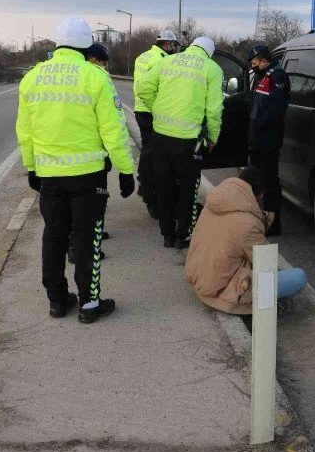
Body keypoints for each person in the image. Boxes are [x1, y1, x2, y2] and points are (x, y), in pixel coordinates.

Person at [16, 17, 136, 324]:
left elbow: (25, 131)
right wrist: (125, 170)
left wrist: (32, 167)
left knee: (54, 236)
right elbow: (114, 130)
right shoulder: (96, 77)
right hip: (88, 175)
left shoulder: (33, 78)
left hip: (50, 176)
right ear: (87, 45)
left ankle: (57, 301)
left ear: (58, 44)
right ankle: (89, 304)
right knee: (87, 238)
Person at [136, 36, 224, 249]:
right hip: (188, 142)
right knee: (188, 190)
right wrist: (213, 137)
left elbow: (143, 88)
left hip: (160, 137)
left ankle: (167, 234)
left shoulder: (167, 60)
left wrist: (157, 110)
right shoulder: (212, 69)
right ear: (209, 52)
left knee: (164, 187)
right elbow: (214, 109)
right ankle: (183, 234)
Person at [185, 166, 306, 315]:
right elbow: (267, 264)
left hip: (201, 282)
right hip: (223, 294)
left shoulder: (212, 204)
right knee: (298, 277)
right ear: (260, 195)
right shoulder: (248, 224)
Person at [66, 42, 114, 264]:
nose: (105, 68)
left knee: (87, 207)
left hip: (67, 155)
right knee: (85, 207)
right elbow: (111, 123)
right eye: (103, 63)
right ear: (93, 59)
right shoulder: (94, 78)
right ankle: (77, 248)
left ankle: (92, 235)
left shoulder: (73, 77)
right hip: (87, 157)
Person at [133, 30, 181, 219]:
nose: (174, 48)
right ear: (167, 44)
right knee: (156, 153)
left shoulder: (143, 56)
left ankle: (143, 181)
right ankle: (149, 188)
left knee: (147, 148)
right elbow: (161, 86)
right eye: (173, 45)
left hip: (140, 108)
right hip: (152, 109)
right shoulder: (161, 60)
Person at [247, 44, 290, 236]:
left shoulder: (277, 76)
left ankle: (274, 223)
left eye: (255, 62)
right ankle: (259, 217)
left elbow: (276, 109)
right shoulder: (262, 75)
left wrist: (259, 126)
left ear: (264, 60)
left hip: (269, 138)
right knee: (258, 179)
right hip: (258, 137)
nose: (253, 66)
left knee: (270, 180)